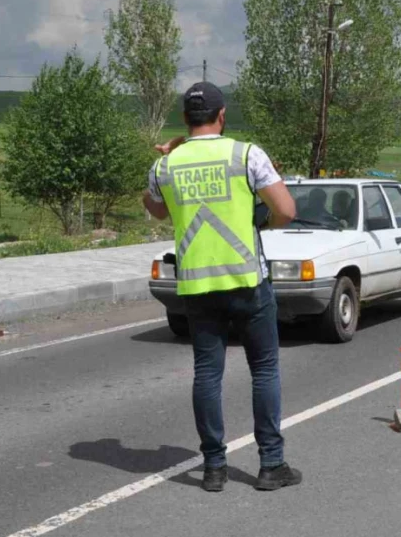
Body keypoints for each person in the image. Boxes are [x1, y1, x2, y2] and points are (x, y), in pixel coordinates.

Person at [143, 82, 302, 493]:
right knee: (264, 369)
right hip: (248, 281)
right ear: (222, 115)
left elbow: (156, 209)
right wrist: (259, 222)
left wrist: (170, 155)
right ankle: (271, 464)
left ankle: (214, 467)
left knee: (207, 374)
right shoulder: (245, 154)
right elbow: (286, 210)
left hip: (197, 285)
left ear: (184, 119)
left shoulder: (166, 165)